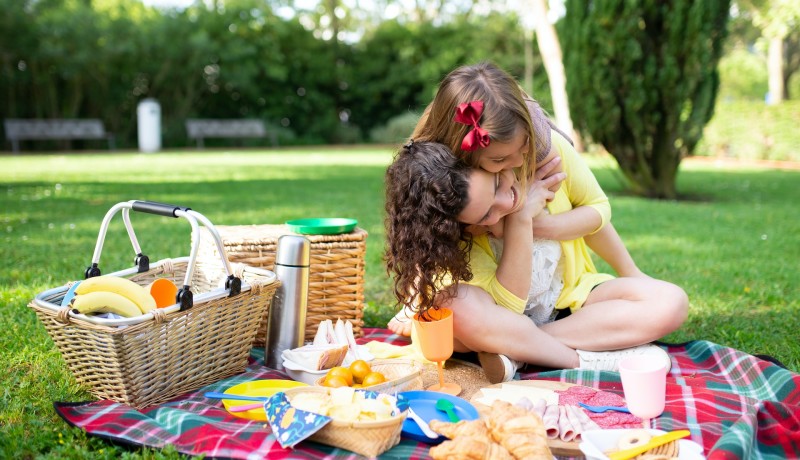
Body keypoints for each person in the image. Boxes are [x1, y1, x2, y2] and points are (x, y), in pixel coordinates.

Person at [386, 62, 689, 382]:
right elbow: (506, 308)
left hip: (566, 301)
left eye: (522, 149)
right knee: (455, 311)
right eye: (499, 164)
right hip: (498, 313)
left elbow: (598, 212)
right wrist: (519, 219)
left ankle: (517, 351)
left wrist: (535, 223)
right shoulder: (456, 196)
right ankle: (579, 357)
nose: (517, 164)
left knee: (670, 302)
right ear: (464, 158)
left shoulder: (545, 153)